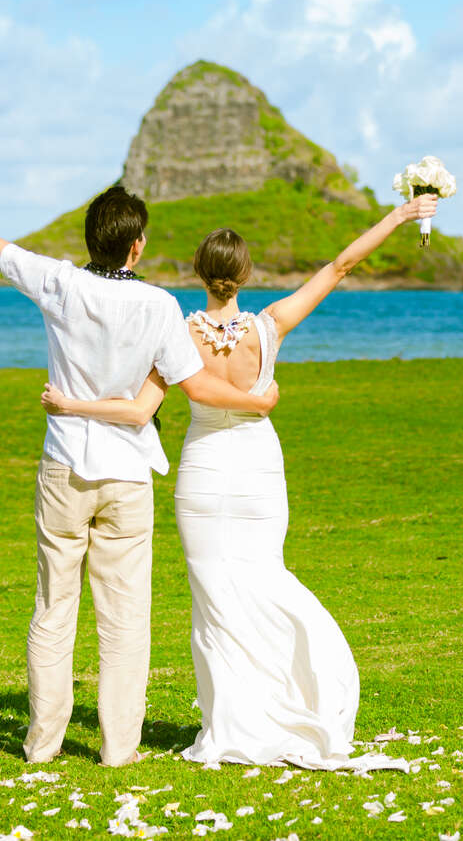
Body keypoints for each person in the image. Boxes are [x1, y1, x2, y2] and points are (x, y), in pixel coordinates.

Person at [40, 191, 438, 769]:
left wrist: (73, 402)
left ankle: (228, 722)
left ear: (200, 274)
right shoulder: (270, 325)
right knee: (261, 578)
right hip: (256, 472)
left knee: (214, 602)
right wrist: (400, 216)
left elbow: (138, 403)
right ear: (244, 275)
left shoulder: (176, 330)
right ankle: (287, 696)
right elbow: (341, 266)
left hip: (201, 474)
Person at [0, 186, 278, 767]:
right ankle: (119, 749)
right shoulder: (158, 306)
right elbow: (191, 383)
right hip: (128, 472)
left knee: (54, 607)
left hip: (65, 465)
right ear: (137, 244)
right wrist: (261, 400)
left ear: (91, 240)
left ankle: (42, 745)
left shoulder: (59, 282)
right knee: (124, 616)